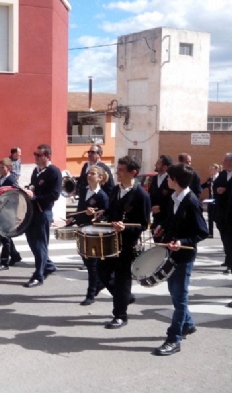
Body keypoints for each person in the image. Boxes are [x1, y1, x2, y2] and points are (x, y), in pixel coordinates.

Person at [152, 163, 208, 356]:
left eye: (169, 177)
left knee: (180, 297)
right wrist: (161, 228)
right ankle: (188, 325)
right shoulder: (173, 198)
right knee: (174, 294)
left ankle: (174, 338)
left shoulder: (192, 201)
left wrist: (181, 241)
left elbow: (202, 232)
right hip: (171, 254)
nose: (167, 180)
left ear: (175, 179)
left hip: (184, 255)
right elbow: (170, 221)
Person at [97, 155, 150, 329]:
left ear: (133, 173)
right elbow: (111, 212)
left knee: (122, 279)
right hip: (109, 240)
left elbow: (143, 225)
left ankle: (120, 315)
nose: (117, 173)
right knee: (102, 272)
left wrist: (125, 228)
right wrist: (101, 214)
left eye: (120, 170)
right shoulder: (114, 190)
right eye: (117, 169)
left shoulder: (141, 195)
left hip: (127, 244)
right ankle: (125, 297)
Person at [66, 165, 109, 305]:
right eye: (88, 173)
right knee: (86, 260)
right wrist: (73, 218)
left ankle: (91, 293)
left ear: (100, 178)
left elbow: (106, 214)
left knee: (92, 265)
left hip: (95, 233)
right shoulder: (84, 191)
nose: (89, 175)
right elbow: (80, 209)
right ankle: (101, 283)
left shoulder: (102, 196)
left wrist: (95, 215)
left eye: (93, 173)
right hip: (83, 229)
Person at [22, 144, 62, 288]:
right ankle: (49, 265)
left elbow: (54, 195)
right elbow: (33, 186)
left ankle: (39, 275)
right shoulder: (36, 171)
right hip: (32, 211)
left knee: (40, 244)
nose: (36, 157)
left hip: (43, 211)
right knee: (32, 241)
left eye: (39, 155)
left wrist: (35, 197)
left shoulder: (54, 172)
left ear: (48, 157)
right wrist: (27, 190)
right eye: (35, 154)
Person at [0, 158, 23, 271]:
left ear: (8, 168)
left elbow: (17, 196)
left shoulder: (11, 180)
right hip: (1, 211)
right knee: (5, 236)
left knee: (5, 237)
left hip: (9, 212)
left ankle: (4, 262)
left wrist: (14, 212)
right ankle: (15, 256)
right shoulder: (0, 179)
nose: (0, 169)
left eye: (2, 167)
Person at [213, 153, 232, 274]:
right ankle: (228, 257)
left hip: (231, 213)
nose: (222, 162)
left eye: (224, 160)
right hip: (221, 213)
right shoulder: (223, 175)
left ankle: (230, 263)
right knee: (225, 238)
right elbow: (215, 187)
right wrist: (218, 190)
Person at [149, 155, 173, 241]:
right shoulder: (154, 178)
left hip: (167, 217)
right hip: (156, 217)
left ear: (165, 167)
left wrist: (161, 208)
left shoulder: (171, 179)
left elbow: (172, 198)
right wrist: (152, 206)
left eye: (158, 163)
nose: (155, 165)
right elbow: (151, 194)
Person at [201, 163, 221, 239]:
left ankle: (222, 229)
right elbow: (203, 186)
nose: (211, 170)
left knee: (217, 217)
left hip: (218, 201)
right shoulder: (210, 179)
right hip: (211, 201)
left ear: (217, 169)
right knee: (210, 217)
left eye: (212, 169)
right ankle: (210, 233)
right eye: (210, 169)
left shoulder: (220, 178)